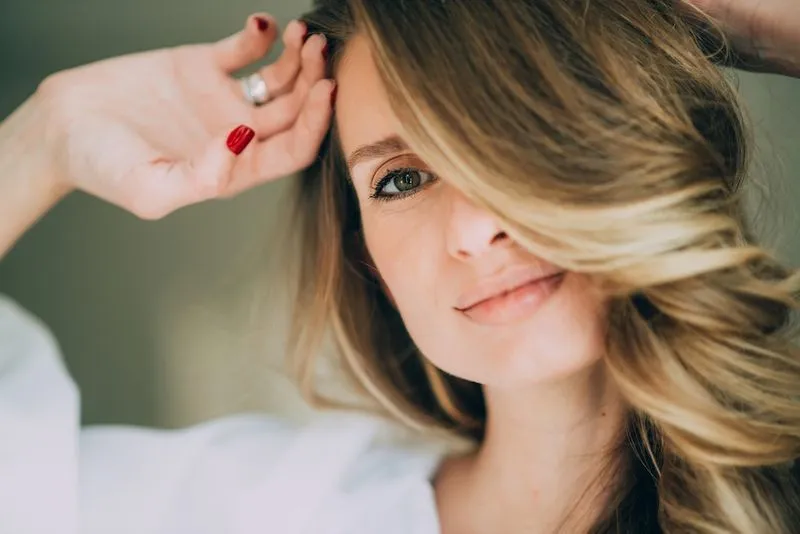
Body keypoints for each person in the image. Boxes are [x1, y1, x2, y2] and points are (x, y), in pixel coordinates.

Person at [1, 0, 799, 532]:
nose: (476, 228)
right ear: (369, 260)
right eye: (402, 180)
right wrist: (44, 139)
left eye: (509, 133)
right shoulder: (277, 509)